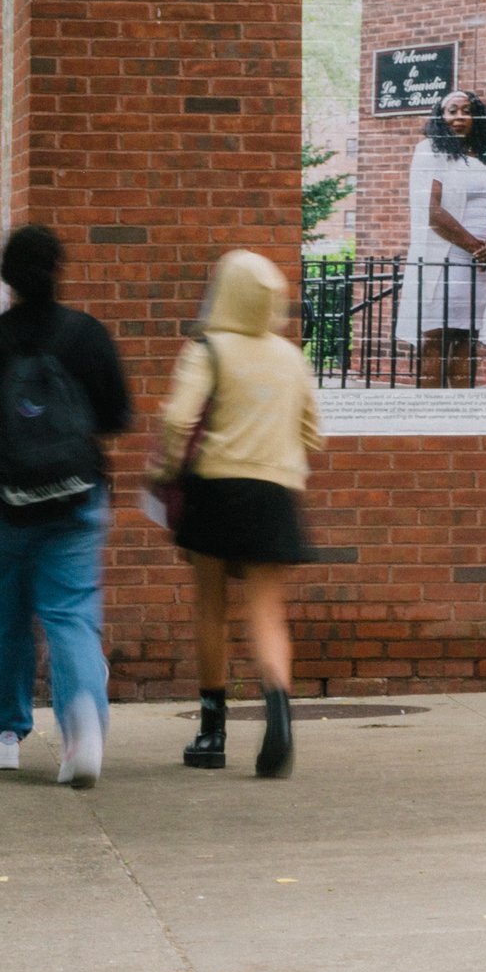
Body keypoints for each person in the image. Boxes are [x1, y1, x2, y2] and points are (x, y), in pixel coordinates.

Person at [153, 251, 324, 777]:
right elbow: (314, 433)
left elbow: (178, 421)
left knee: (211, 606)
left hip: (216, 488)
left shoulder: (208, 350)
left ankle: (212, 732)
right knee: (266, 611)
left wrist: (163, 472)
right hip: (275, 493)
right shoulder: (291, 357)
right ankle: (279, 715)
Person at [0, 225, 132, 788]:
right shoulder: (86, 335)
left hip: (6, 504)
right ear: (59, 269)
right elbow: (117, 416)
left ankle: (6, 735)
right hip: (77, 496)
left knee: (6, 618)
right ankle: (83, 734)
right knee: (70, 613)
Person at [395, 89, 486, 386]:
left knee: (466, 339)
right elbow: (430, 209)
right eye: (452, 110)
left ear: (477, 117)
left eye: (467, 111)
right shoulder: (431, 151)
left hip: (484, 263)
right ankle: (431, 423)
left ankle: (461, 419)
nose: (460, 116)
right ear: (441, 116)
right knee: (437, 336)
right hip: (448, 258)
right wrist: (475, 247)